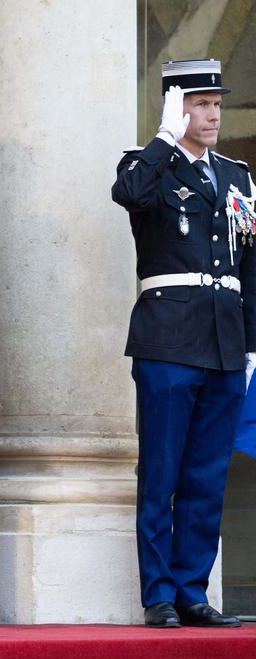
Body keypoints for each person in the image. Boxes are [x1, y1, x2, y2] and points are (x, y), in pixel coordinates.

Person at [112, 58, 254, 629]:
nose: (213, 115)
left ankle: (192, 590)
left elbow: (249, 267)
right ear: (176, 107)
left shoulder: (237, 176)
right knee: (162, 473)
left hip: (225, 343)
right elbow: (128, 193)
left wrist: (251, 345)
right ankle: (159, 595)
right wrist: (166, 136)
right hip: (168, 342)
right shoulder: (148, 165)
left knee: (207, 476)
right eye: (200, 104)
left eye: (216, 104)